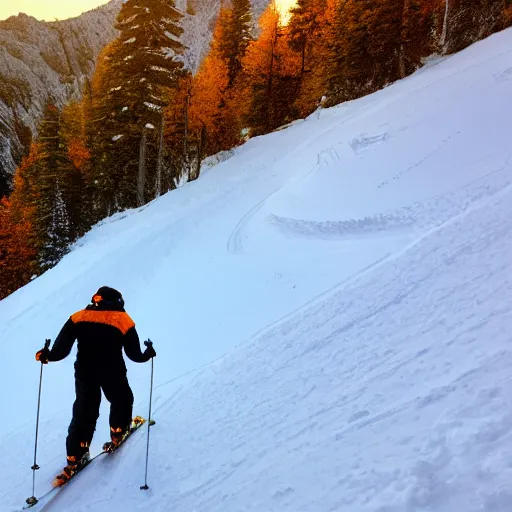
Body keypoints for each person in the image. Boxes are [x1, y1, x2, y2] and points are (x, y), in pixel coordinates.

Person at [35, 286, 156, 485]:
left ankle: (76, 454)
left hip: (85, 371)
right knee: (121, 399)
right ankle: (119, 430)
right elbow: (135, 355)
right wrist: (148, 352)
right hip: (112, 370)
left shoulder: (78, 316)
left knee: (84, 410)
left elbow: (61, 349)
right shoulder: (123, 320)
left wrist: (48, 355)